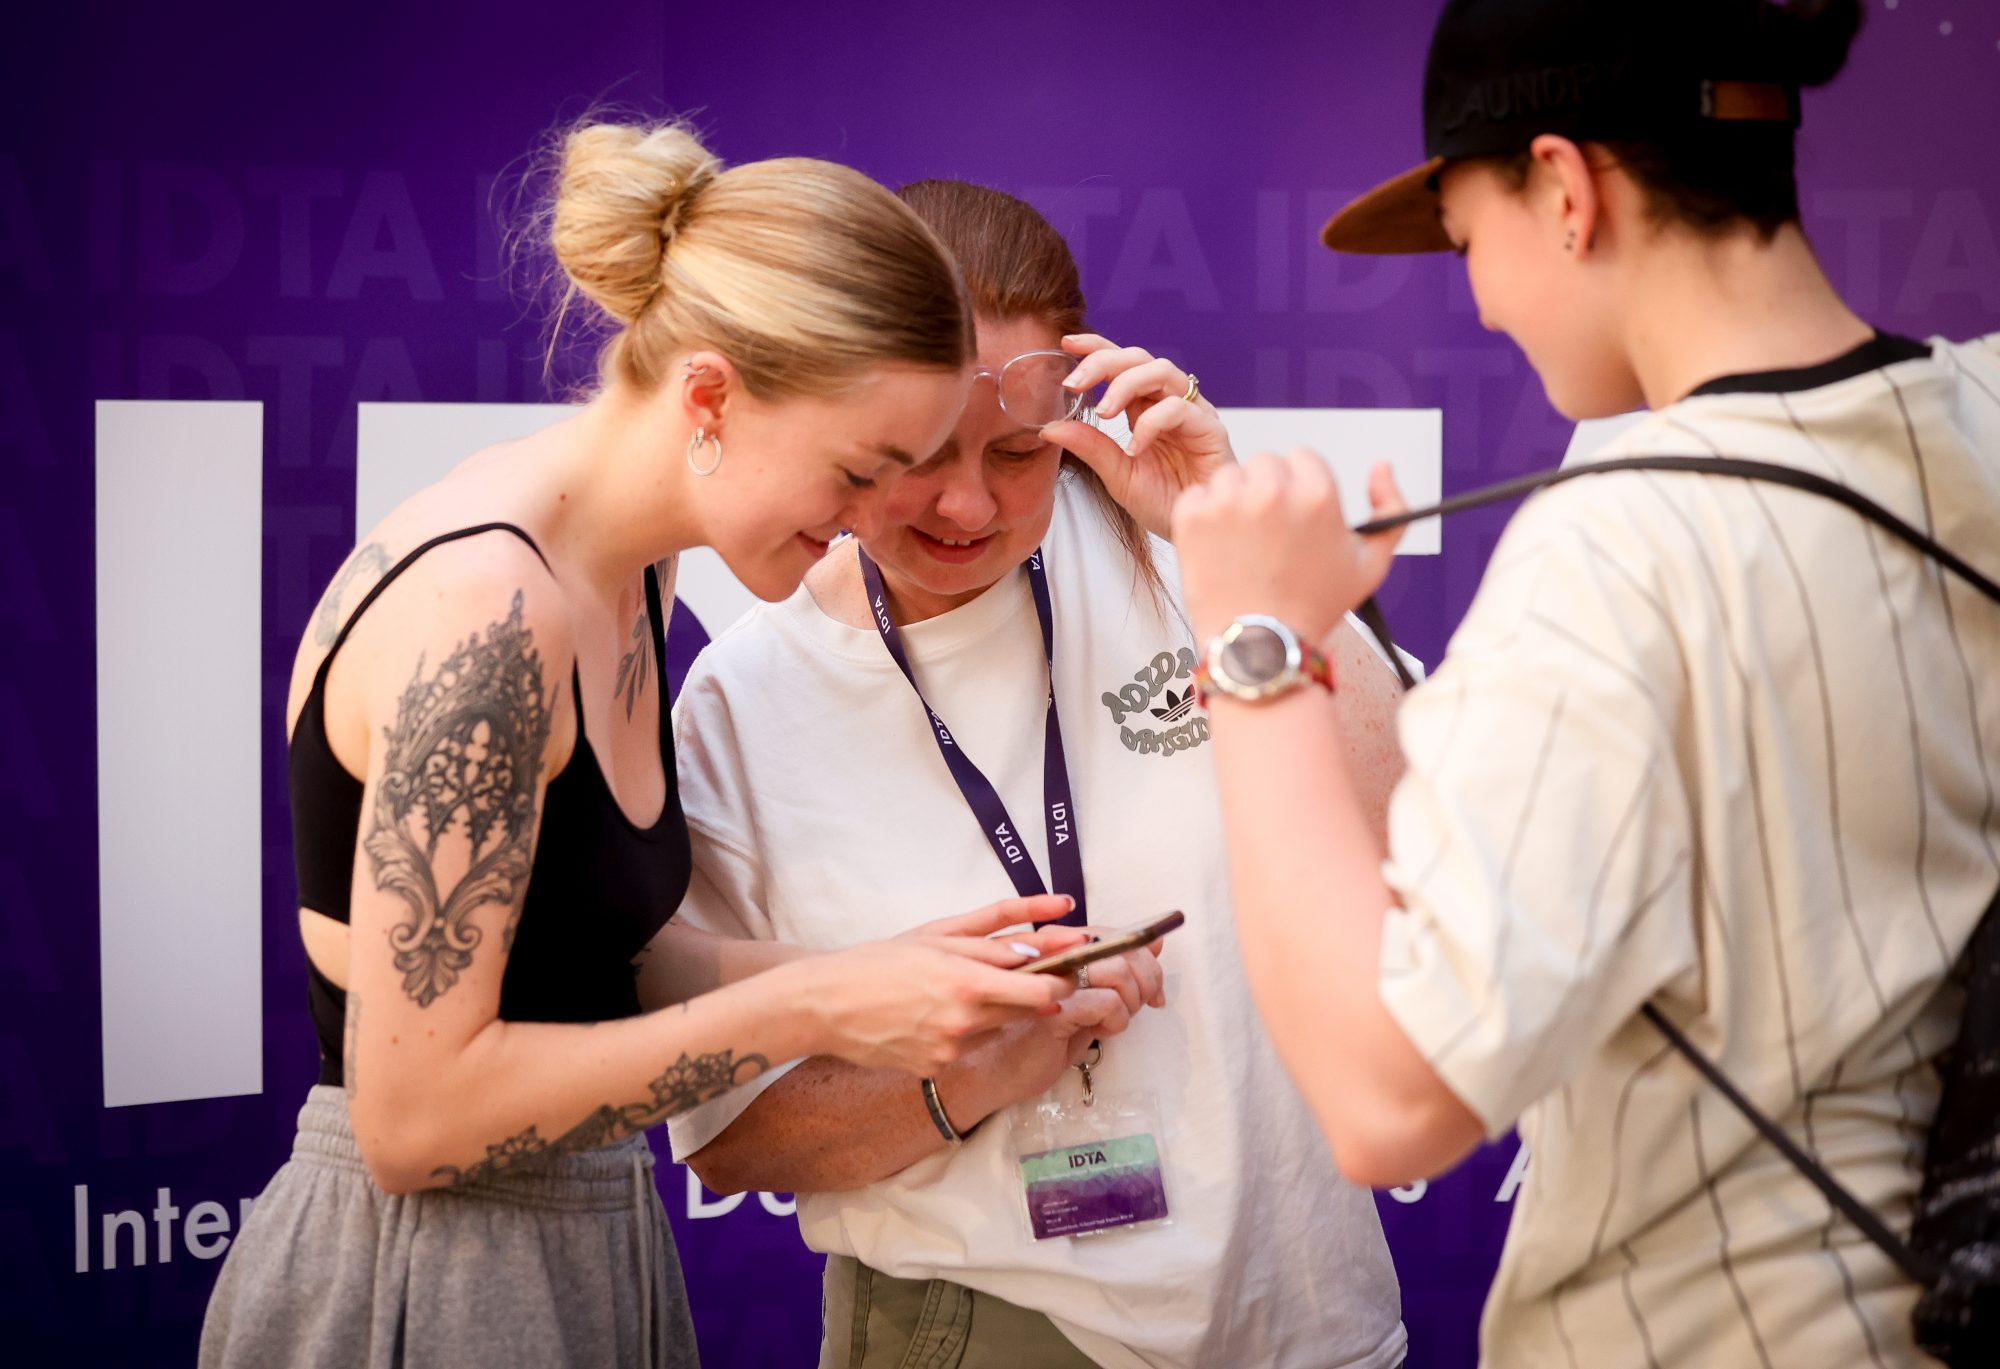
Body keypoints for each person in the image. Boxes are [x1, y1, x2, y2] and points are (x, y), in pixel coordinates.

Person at [1164, 1, 2000, 1365]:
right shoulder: (1984, 414)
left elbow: (1387, 1097)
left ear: (1564, 187)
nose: (1482, 297)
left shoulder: (1617, 546)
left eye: (1466, 240)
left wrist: (1256, 641)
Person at [199, 123, 1090, 1369]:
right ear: (714, 397)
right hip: (426, 1278)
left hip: (587, 1233)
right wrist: (813, 1001)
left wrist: (885, 977)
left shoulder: (633, 566)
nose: (877, 518)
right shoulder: (486, 616)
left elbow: (578, 951)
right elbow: (412, 1117)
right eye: (861, 467)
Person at [663, 180, 1410, 1369]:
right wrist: (959, 1077)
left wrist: (1221, 538)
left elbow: (1406, 842)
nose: (968, 502)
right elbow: (728, 1135)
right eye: (916, 454)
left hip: (1302, 1311)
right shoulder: (747, 701)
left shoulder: (1174, 556)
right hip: (981, 1328)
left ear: (1073, 407)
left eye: (1016, 453)